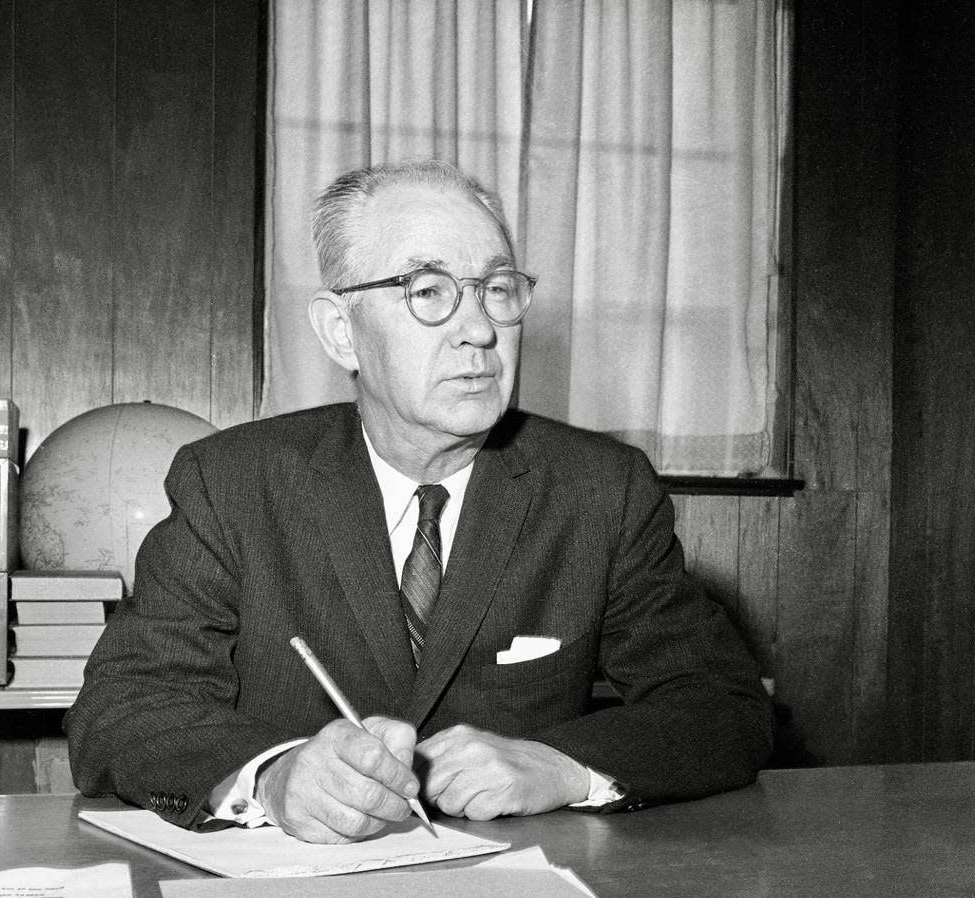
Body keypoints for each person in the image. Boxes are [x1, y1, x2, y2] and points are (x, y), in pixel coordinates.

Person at [66, 159, 772, 843]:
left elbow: (723, 706)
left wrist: (563, 766)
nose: (481, 330)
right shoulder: (233, 484)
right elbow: (120, 710)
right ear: (341, 332)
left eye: (497, 289)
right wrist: (275, 777)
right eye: (429, 291)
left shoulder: (600, 492)